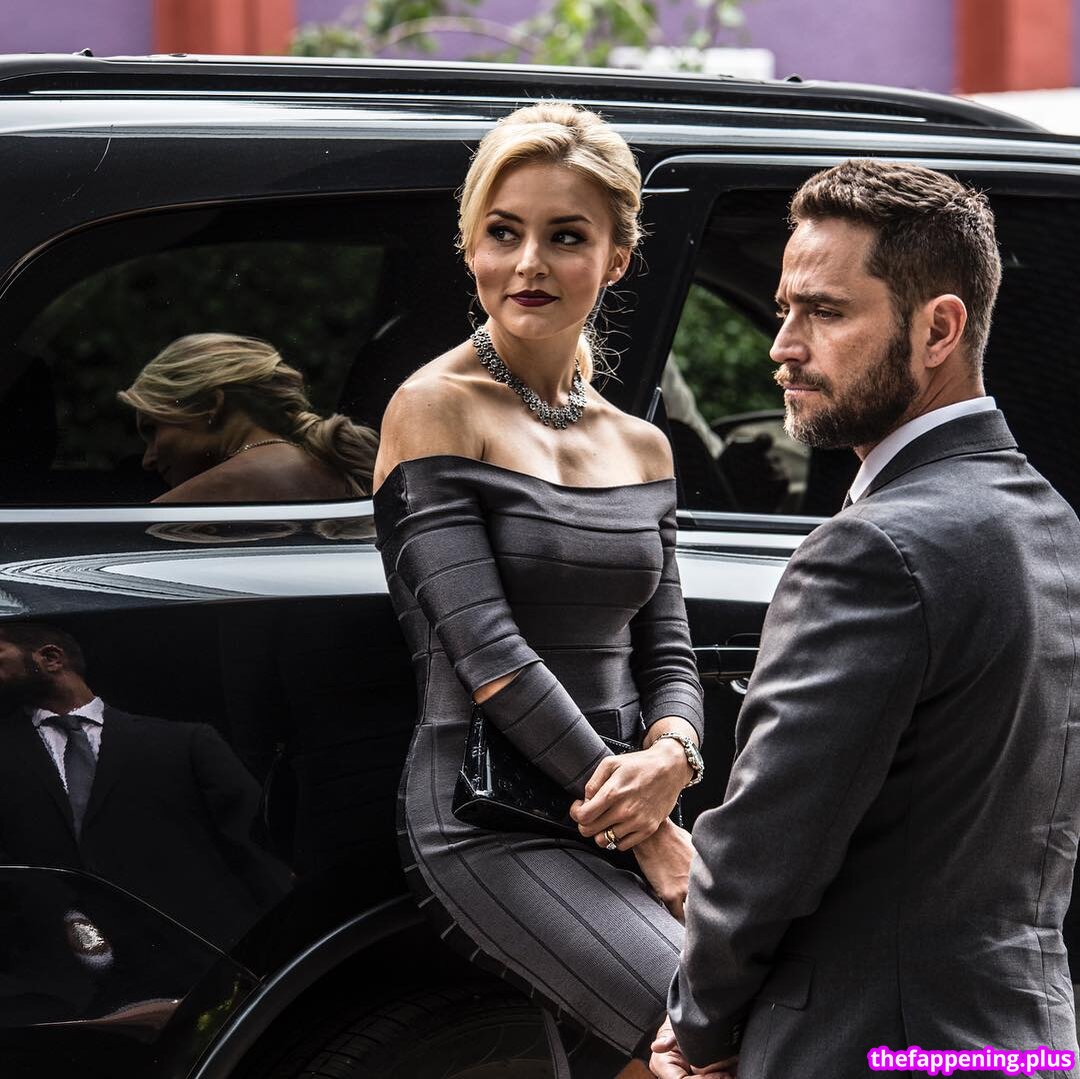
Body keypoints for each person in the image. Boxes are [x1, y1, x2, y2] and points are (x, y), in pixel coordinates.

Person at [651, 160, 1080, 1079]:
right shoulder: (1052, 522)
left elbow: (767, 844)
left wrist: (696, 1025)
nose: (783, 346)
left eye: (825, 311)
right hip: (1028, 1042)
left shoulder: (872, 549)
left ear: (939, 329)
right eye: (784, 309)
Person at [372, 102, 705, 1077]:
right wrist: (647, 827)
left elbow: (668, 650)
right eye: (504, 232)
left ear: (616, 257)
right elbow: (488, 655)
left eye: (565, 236)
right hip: (492, 816)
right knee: (726, 1027)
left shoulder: (641, 444)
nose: (529, 264)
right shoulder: (435, 407)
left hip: (622, 804)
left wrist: (674, 755)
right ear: (470, 247)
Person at [0, 622, 291, 950]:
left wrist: (285, 938)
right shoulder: (7, 755)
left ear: (51, 658)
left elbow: (257, 848)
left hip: (206, 949)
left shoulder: (183, 743)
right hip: (66, 960)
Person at [118, 332, 378, 502]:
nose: (148, 460)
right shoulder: (334, 473)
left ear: (210, 405)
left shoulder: (193, 503)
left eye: (153, 430)